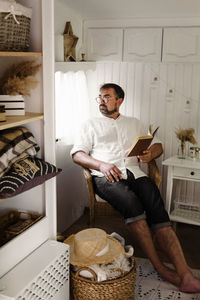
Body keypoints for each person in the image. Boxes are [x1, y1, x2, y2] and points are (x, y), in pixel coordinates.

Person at [71, 83, 200, 293]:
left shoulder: (134, 123)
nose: (101, 101)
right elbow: (77, 154)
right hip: (106, 177)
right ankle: (161, 268)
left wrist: (151, 154)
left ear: (119, 101)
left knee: (157, 208)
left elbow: (158, 145)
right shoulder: (90, 124)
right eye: (100, 98)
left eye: (106, 97)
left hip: (135, 173)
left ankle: (185, 273)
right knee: (132, 204)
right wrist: (101, 165)